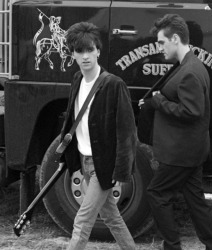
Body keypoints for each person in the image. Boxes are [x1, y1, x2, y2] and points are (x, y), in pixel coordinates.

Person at [139, 14, 212, 250]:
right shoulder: (190, 65)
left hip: (180, 153)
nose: (160, 48)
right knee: (196, 202)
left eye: (161, 42)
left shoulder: (189, 71)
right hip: (191, 151)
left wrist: (158, 102)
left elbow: (192, 111)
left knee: (156, 193)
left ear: (175, 38)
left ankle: (172, 246)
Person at [61, 21, 137, 250]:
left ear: (98, 51)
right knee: (112, 217)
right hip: (85, 161)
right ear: (73, 54)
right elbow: (73, 122)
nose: (85, 56)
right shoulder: (77, 80)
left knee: (82, 220)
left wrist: (121, 170)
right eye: (80, 51)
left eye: (90, 50)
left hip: (103, 164)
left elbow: (127, 132)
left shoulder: (114, 85)